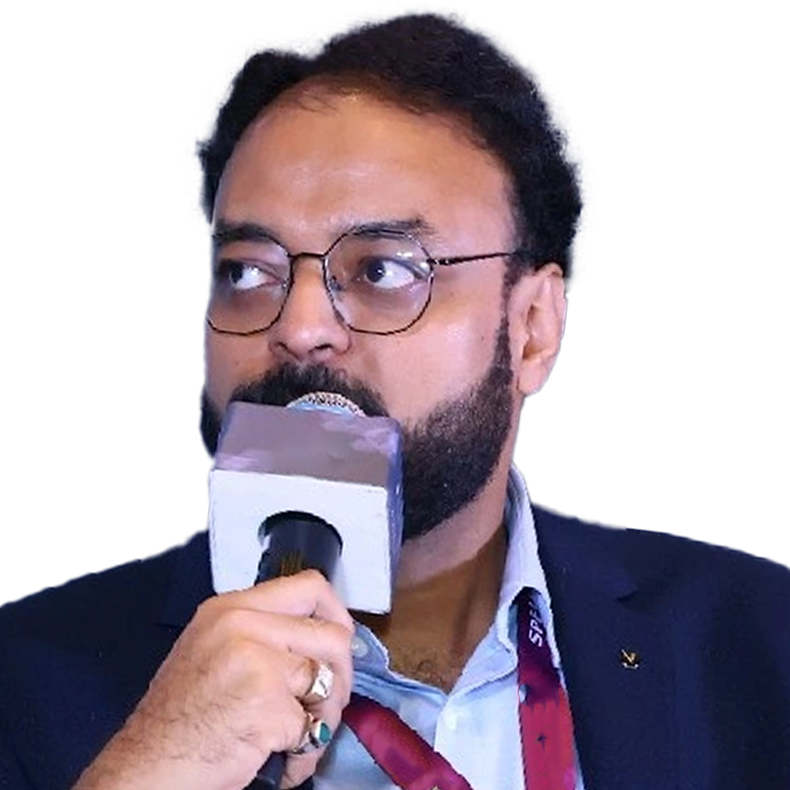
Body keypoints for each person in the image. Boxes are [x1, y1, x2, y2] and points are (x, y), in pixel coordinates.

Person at [1, 11, 789, 790]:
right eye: (247, 271)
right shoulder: (26, 684)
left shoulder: (759, 644)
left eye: (382, 269)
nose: (299, 328)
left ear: (533, 330)